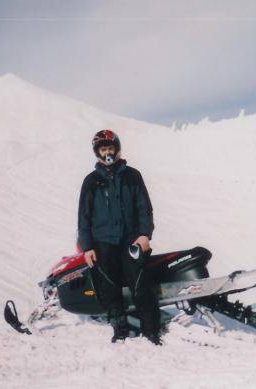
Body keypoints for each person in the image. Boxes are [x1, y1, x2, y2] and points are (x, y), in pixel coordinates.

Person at [77, 129, 161, 345]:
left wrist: (144, 235)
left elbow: (144, 208)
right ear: (97, 152)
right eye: (103, 149)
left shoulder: (132, 176)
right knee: (109, 287)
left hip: (131, 240)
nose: (108, 153)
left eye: (111, 148)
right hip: (103, 242)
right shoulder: (91, 181)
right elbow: (83, 217)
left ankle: (151, 331)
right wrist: (87, 247)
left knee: (141, 284)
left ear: (117, 149)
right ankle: (120, 329)